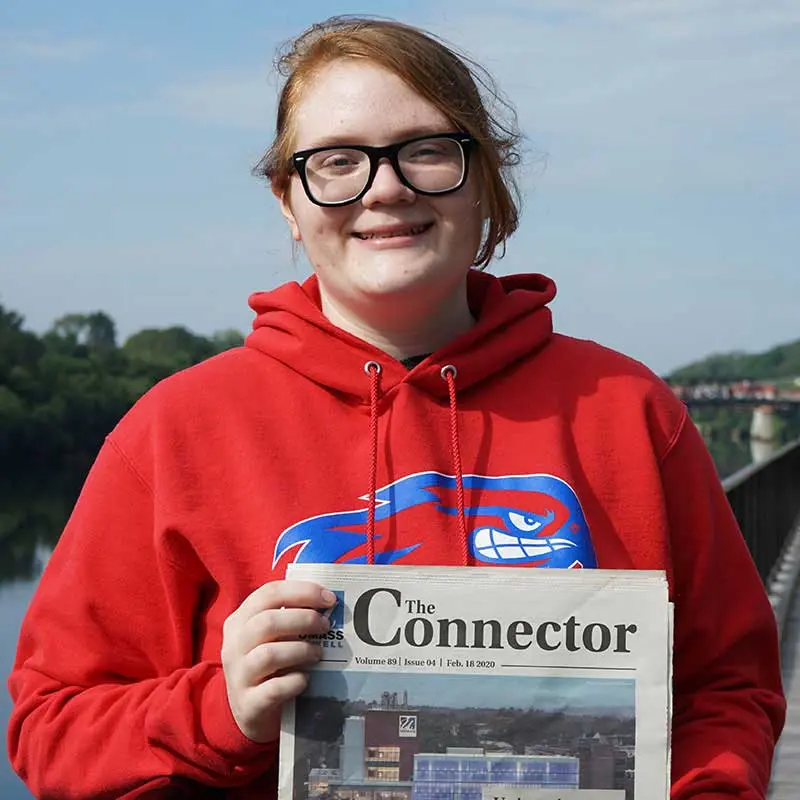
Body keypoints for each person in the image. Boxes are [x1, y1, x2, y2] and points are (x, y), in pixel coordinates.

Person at [7, 15, 785, 800]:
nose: (386, 187)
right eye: (338, 161)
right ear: (288, 199)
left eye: (426, 150)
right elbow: (51, 731)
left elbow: (727, 691)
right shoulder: (174, 431)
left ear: (485, 179)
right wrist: (222, 707)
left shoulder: (630, 411)